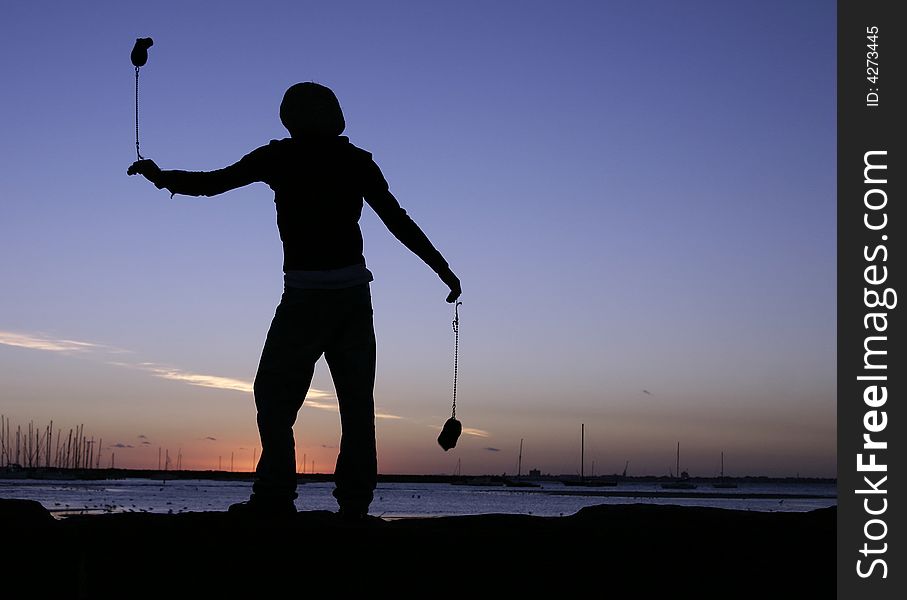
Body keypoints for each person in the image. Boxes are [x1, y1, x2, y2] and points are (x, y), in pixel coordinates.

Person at [128, 82, 461, 519]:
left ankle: (274, 496)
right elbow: (398, 221)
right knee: (356, 406)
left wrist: (160, 177)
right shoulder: (354, 161)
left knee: (273, 395)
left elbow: (212, 184)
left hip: (306, 298)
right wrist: (442, 269)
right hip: (353, 299)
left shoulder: (280, 157)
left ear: (292, 118)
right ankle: (353, 505)